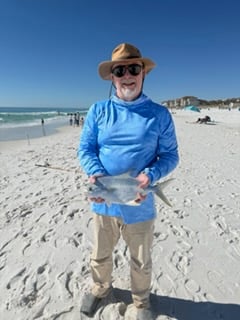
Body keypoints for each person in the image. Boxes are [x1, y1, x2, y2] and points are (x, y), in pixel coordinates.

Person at [77, 43, 179, 320]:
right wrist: (95, 172)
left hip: (141, 203)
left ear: (143, 72)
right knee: (99, 255)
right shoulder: (98, 110)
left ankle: (142, 302)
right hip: (104, 201)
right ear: (112, 77)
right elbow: (85, 149)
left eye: (133, 68)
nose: (126, 75)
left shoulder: (159, 114)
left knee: (141, 260)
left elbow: (170, 156)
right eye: (119, 70)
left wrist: (152, 176)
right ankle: (100, 289)